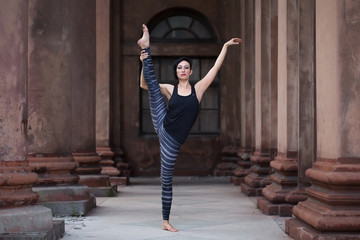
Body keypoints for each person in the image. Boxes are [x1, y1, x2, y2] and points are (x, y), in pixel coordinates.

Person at [137, 24, 241, 232]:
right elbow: (144, 85)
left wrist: (225, 47)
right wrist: (143, 63)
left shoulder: (198, 89)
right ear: (176, 72)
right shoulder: (170, 88)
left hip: (173, 142)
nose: (182, 70)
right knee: (155, 90)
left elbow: (215, 68)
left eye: (186, 67)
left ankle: (165, 220)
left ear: (191, 71)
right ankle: (145, 47)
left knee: (166, 179)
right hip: (163, 124)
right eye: (179, 68)